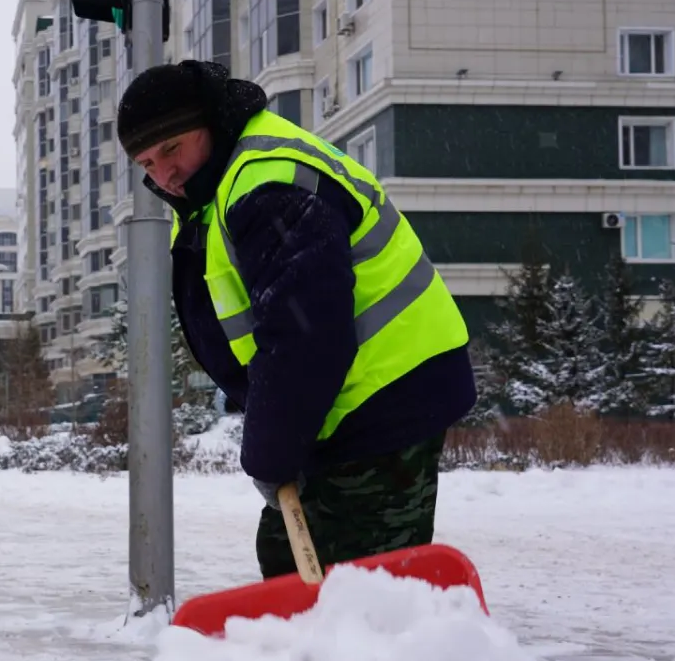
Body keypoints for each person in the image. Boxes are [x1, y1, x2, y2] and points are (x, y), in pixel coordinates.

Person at [115, 60, 476, 578]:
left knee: (361, 583)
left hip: (384, 401)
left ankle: (374, 658)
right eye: (147, 164)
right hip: (342, 403)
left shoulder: (264, 185)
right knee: (292, 560)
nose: (164, 176)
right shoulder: (221, 188)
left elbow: (305, 336)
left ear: (210, 123)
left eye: (172, 149)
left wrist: (270, 454)